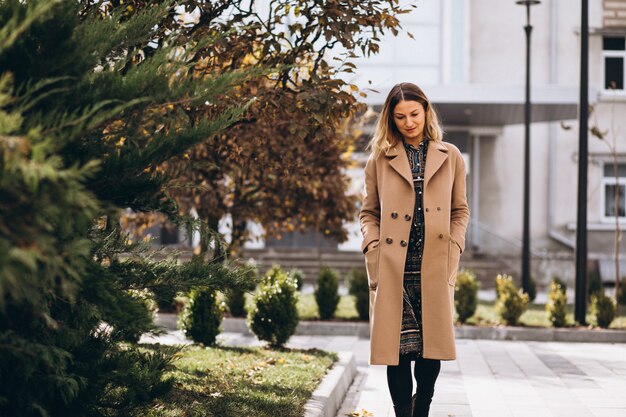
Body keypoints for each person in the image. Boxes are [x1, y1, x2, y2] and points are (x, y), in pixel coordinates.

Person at [359, 82, 469, 417]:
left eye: (414, 114)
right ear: (391, 120)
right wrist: (372, 246)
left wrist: (455, 243)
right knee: (398, 350)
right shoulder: (379, 159)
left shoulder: (450, 156)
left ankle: (422, 407)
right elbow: (369, 212)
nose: (409, 122)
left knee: (429, 349)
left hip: (434, 262)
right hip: (394, 264)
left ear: (426, 111)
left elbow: (460, 210)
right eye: (401, 117)